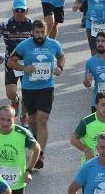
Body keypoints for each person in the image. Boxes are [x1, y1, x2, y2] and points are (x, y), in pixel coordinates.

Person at [7, 20, 65, 170]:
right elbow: (10, 62)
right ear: (32, 32)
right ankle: (34, 138)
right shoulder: (24, 45)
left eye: (42, 32)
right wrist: (24, 68)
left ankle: (40, 155)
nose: (40, 35)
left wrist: (60, 67)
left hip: (47, 87)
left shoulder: (54, 44)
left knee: (43, 119)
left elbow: (61, 56)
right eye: (37, 32)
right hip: (29, 88)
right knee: (32, 119)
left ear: (46, 32)